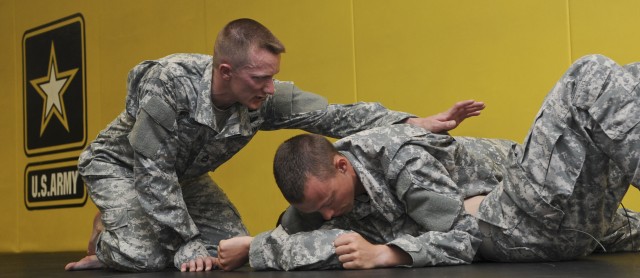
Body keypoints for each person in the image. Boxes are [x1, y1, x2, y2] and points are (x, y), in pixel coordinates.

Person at [64, 18, 485, 272]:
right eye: (259, 79)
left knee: (226, 252)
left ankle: (133, 231)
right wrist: (184, 242)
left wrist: (412, 121)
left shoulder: (262, 96)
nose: (269, 88)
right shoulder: (169, 87)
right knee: (150, 255)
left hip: (184, 176)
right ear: (226, 71)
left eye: (273, 76)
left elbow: (334, 115)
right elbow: (152, 171)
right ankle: (109, 239)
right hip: (125, 166)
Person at [215, 54, 640, 271]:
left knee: (627, 79)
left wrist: (385, 252)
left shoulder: (401, 157)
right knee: (589, 74)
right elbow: (464, 238)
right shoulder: (321, 202)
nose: (327, 216)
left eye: (327, 203)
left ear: (343, 165)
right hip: (519, 223)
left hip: (568, 219)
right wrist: (254, 246)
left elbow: (459, 235)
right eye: (316, 211)